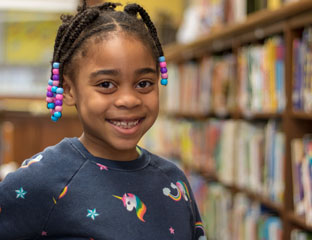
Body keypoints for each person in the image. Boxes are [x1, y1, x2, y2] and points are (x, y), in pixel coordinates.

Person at [0, 1, 206, 239]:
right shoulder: (42, 179)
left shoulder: (174, 181)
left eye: (144, 84)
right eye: (106, 85)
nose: (128, 100)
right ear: (68, 90)